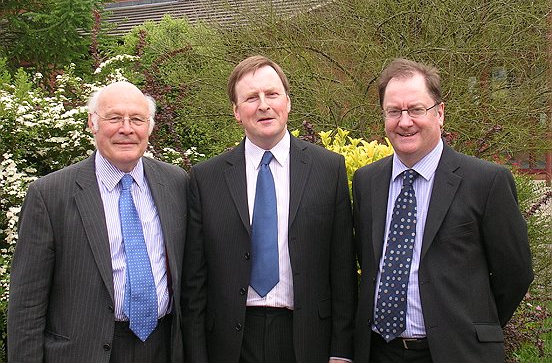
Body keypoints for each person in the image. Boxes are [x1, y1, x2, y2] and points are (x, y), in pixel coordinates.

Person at [352, 58, 533, 363]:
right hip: (378, 351)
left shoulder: (486, 182)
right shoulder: (366, 182)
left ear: (440, 113)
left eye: (416, 109)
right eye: (394, 111)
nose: (405, 121)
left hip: (458, 352)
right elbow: (365, 261)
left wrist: (470, 327)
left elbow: (515, 273)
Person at [182, 55, 357, 363]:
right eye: (251, 98)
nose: (263, 105)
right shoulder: (206, 178)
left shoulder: (327, 170)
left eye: (271, 94)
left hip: (306, 339)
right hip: (230, 342)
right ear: (236, 111)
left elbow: (342, 268)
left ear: (287, 102)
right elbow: (195, 283)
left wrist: (341, 352)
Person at [8, 81, 188, 363]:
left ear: (150, 127)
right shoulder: (50, 195)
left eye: (137, 119)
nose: (126, 128)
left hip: (162, 347)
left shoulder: (176, 183)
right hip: (84, 351)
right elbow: (27, 304)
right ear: (93, 123)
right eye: (114, 118)